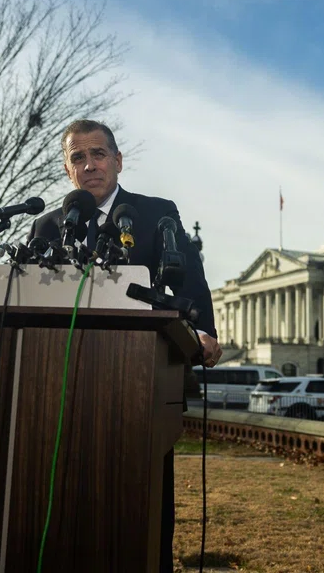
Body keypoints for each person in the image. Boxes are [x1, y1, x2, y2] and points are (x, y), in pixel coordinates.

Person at [27, 119, 220, 572]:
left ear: (117, 161)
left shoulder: (156, 214)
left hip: (141, 386)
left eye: (98, 154)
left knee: (142, 511)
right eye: (78, 157)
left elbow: (191, 282)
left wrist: (204, 332)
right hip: (57, 390)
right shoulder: (45, 229)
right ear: (67, 168)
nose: (89, 164)